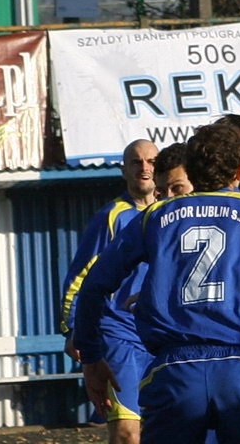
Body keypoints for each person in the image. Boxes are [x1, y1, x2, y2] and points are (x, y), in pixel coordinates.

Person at [73, 122, 240, 443]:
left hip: (174, 371)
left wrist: (92, 356)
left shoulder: (154, 217)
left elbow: (94, 284)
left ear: (190, 171)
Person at [59, 139, 158, 444]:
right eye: (136, 162)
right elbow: (82, 276)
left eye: (151, 161)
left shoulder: (175, 212)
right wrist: (72, 327)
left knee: (164, 428)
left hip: (166, 337)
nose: (144, 168)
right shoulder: (112, 216)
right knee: (128, 431)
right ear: (123, 170)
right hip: (120, 335)